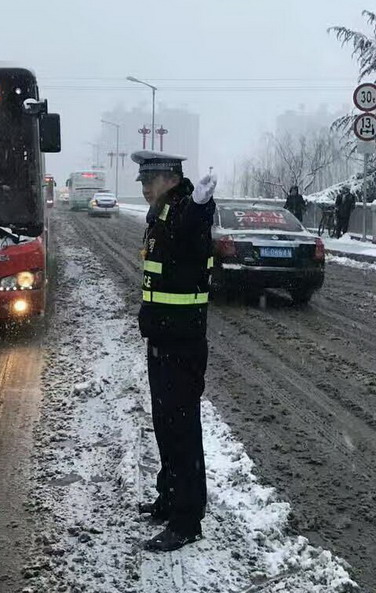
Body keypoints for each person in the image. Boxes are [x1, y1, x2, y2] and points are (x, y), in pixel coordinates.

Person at [133, 150, 216, 552]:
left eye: (151, 179)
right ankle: (168, 499)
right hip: (162, 340)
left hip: (182, 344)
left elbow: (192, 228)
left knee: (182, 431)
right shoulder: (160, 214)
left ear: (172, 178)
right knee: (166, 427)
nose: (145, 187)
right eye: (143, 180)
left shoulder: (187, 211)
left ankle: (187, 520)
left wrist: (202, 204)